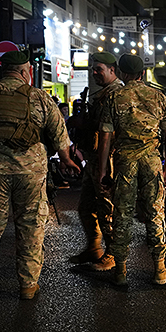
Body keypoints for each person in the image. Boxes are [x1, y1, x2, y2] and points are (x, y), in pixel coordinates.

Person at [0, 50, 79, 302]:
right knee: (31, 226)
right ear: (25, 72)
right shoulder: (39, 97)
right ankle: (28, 286)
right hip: (30, 173)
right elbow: (59, 136)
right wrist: (67, 161)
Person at [98, 54, 166, 286]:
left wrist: (104, 171)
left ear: (121, 73)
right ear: (142, 73)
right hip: (152, 162)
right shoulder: (159, 97)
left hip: (125, 162)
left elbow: (105, 139)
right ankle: (160, 269)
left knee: (122, 215)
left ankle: (121, 272)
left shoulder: (114, 98)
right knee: (155, 214)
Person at [68, 53, 122, 271]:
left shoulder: (117, 94)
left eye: (99, 68)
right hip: (93, 157)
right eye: (93, 69)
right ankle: (94, 247)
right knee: (86, 207)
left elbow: (111, 130)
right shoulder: (101, 95)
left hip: (106, 159)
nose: (95, 72)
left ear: (112, 70)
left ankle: (112, 254)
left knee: (106, 208)